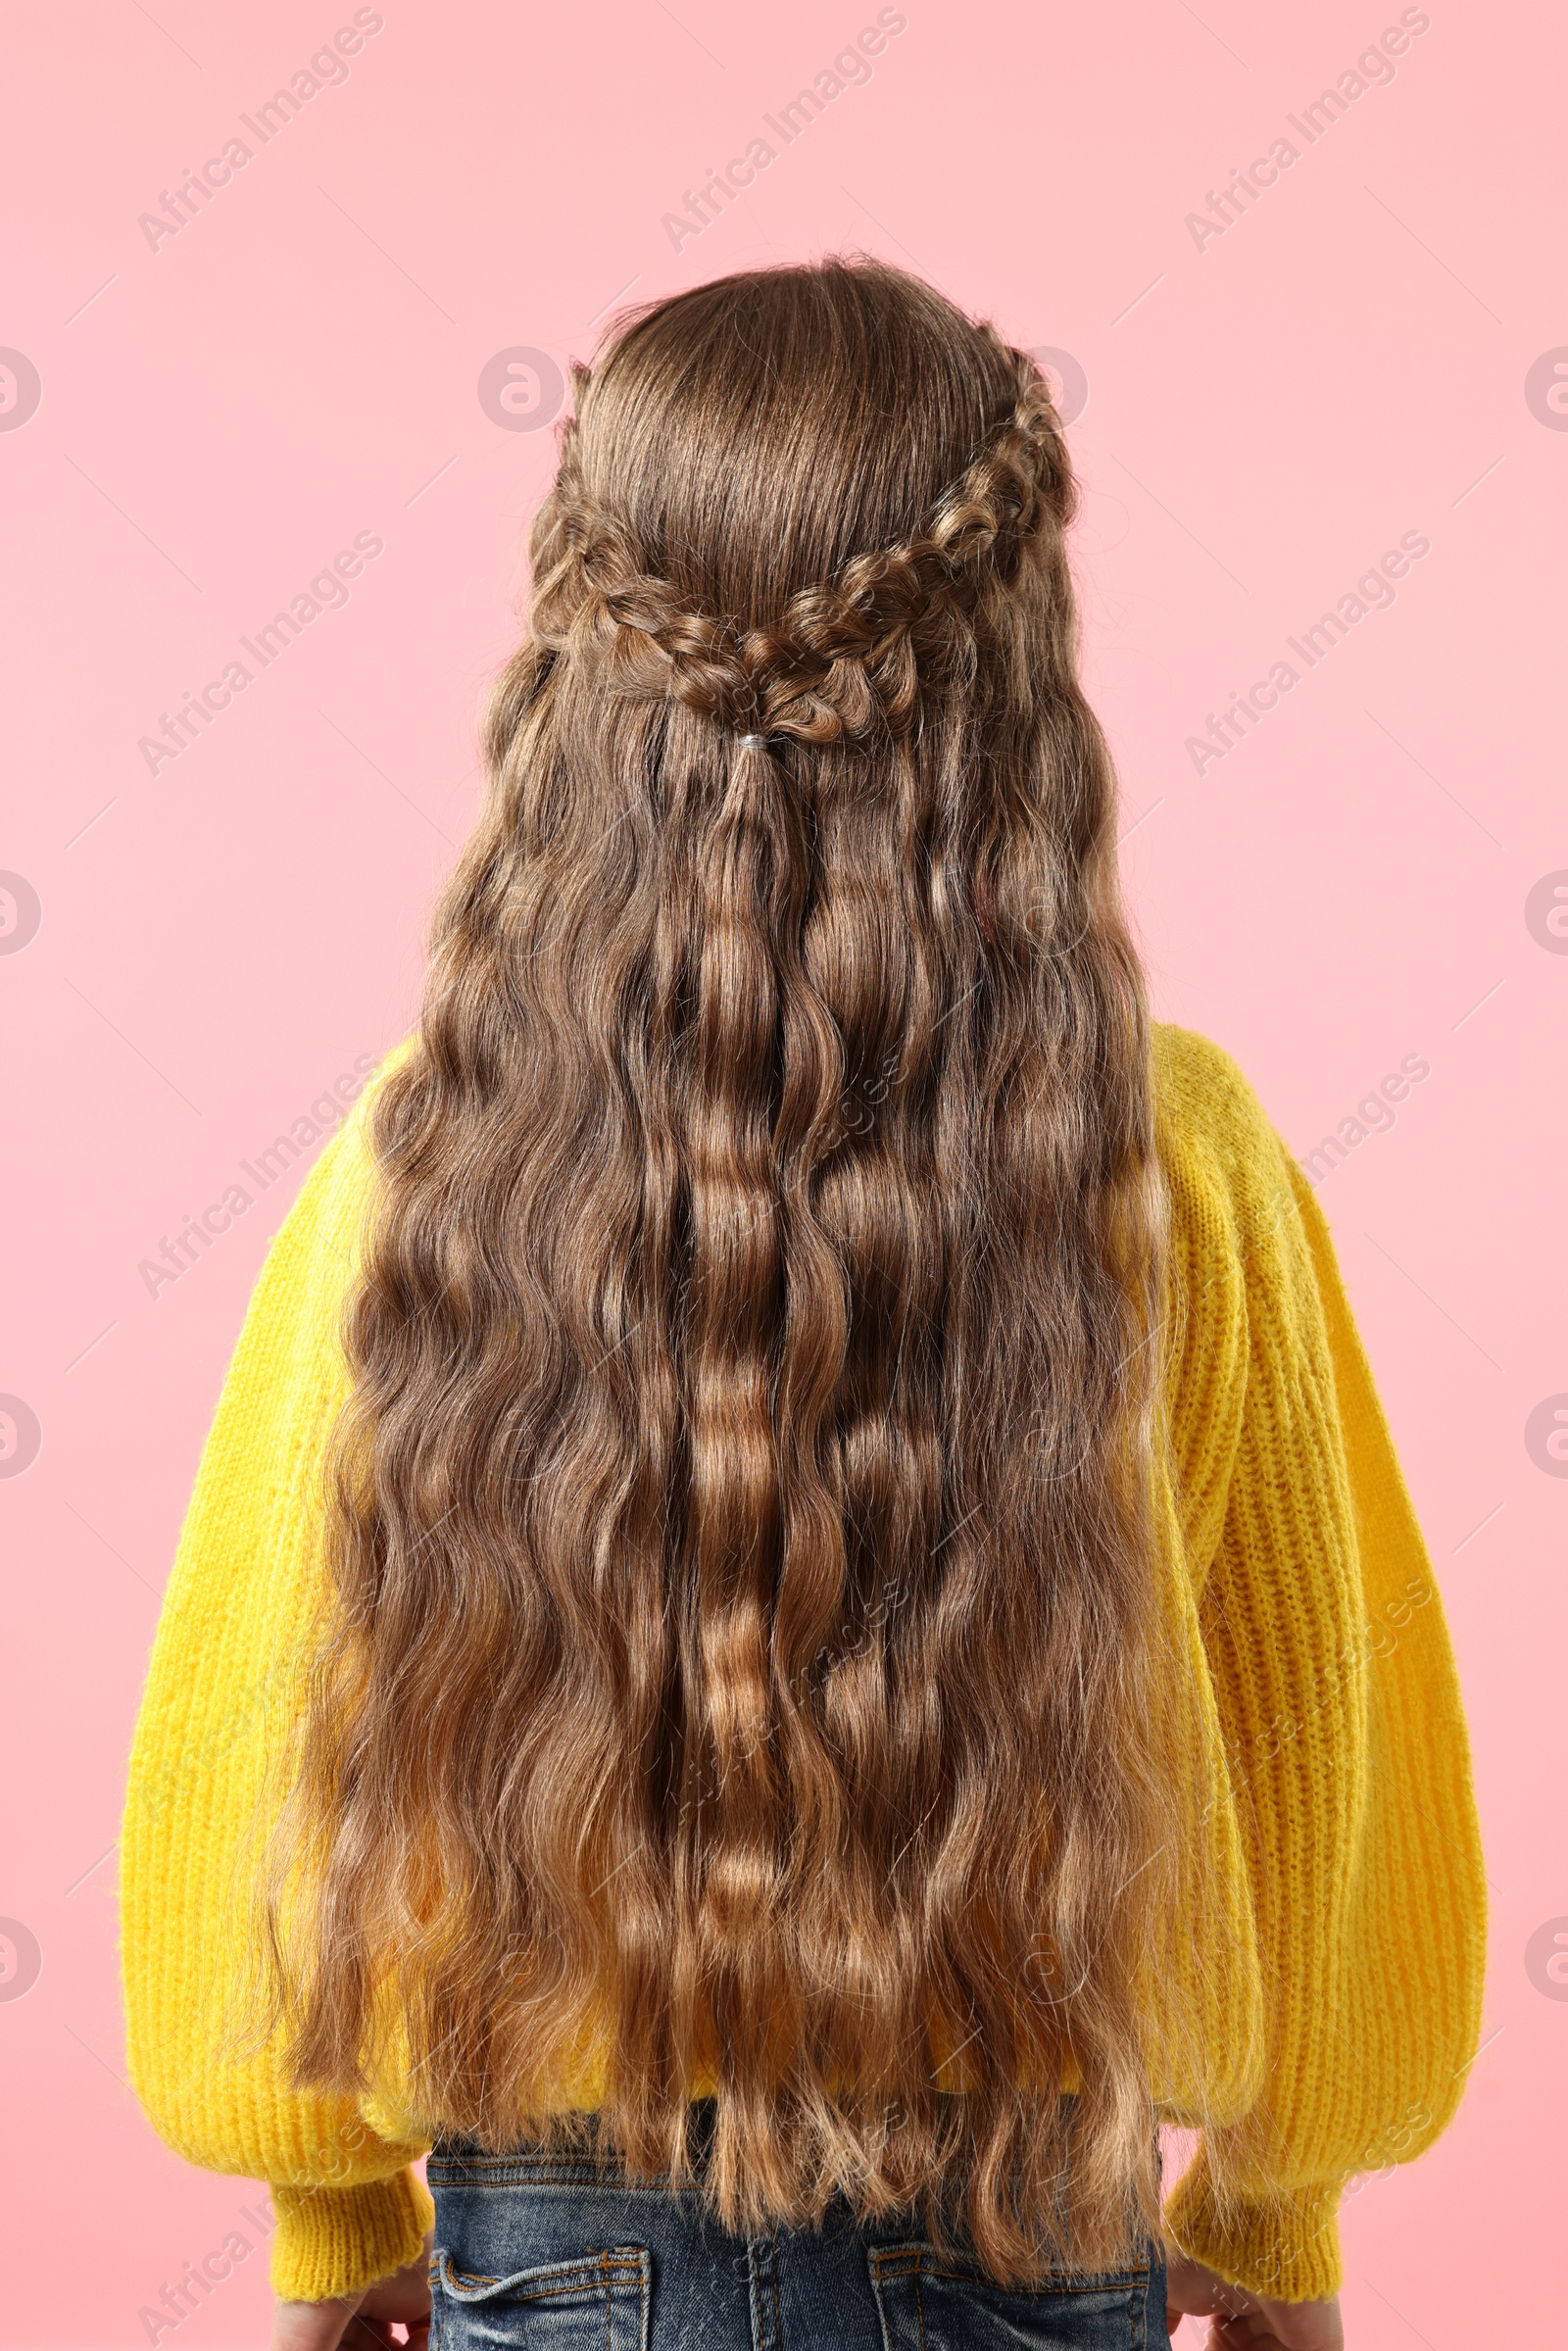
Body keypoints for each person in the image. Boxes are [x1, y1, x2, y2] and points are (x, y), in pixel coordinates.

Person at [120, 258, 1486, 2351]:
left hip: (555, 2230)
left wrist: (320, 2210)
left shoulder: (429, 1153)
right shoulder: (1172, 1154)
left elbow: (272, 1690)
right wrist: (1284, 2208)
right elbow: (1321, 1723)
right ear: (1016, 667)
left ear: (586, 664)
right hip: (1030, 2218)